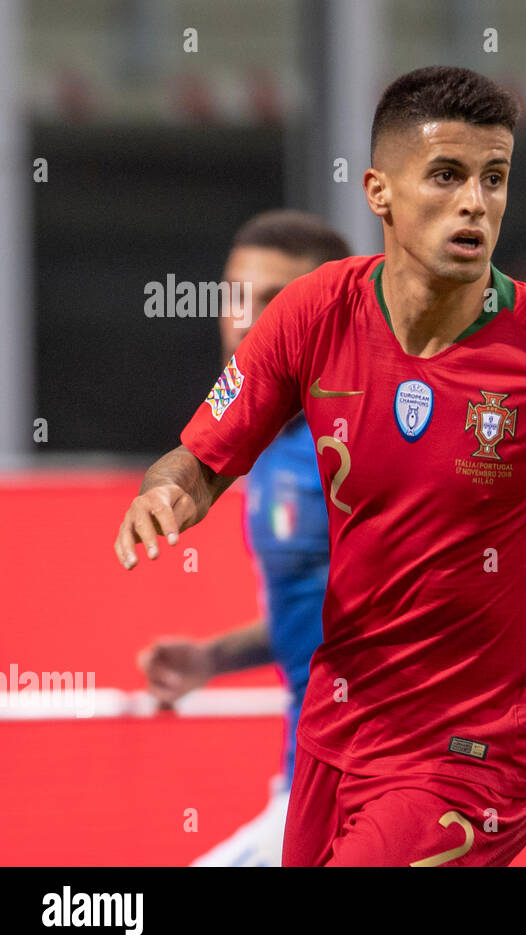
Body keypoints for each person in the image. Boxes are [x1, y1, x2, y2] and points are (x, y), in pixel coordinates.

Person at [113, 65, 526, 866]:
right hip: (336, 737)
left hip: (477, 757)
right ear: (379, 193)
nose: (476, 203)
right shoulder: (314, 315)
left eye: (495, 179)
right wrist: (167, 493)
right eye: (448, 176)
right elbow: (199, 460)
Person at [136, 210, 350, 865]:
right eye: (235, 296)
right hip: (303, 785)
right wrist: (215, 658)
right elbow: (328, 610)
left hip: (361, 792)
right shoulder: (265, 443)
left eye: (273, 302)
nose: (244, 319)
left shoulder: (358, 444)